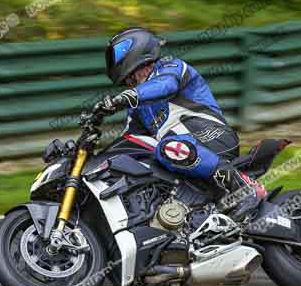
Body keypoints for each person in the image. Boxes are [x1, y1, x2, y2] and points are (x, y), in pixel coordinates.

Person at [91, 27, 264, 221]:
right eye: (127, 82)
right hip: (184, 154)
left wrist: (124, 98)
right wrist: (95, 158)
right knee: (148, 165)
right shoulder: (137, 107)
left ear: (139, 58)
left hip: (213, 136)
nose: (130, 84)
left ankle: (243, 187)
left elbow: (166, 85)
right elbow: (129, 141)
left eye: (130, 78)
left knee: (167, 147)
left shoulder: (171, 67)